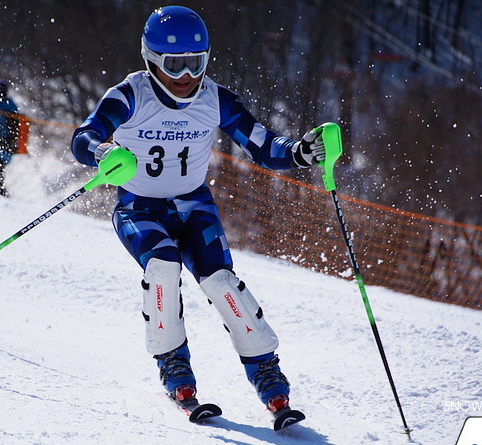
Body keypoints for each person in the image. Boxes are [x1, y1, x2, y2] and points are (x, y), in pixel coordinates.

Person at [71, 6, 326, 420]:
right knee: (163, 267)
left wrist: (298, 153)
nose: (187, 75)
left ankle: (269, 378)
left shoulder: (215, 99)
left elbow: (262, 144)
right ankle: (174, 367)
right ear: (151, 59)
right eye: (175, 64)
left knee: (222, 282)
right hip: (139, 208)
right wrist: (103, 151)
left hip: (194, 207)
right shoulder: (131, 94)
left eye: (196, 63)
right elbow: (83, 137)